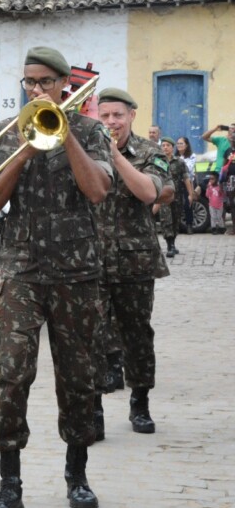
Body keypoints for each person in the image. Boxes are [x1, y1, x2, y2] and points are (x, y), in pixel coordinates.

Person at [0, 46, 112, 508]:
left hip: (77, 273)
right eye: (28, 83)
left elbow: (97, 190)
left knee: (77, 378)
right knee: (12, 375)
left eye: (44, 83)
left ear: (63, 85)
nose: (34, 90)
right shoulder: (5, 134)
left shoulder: (92, 131)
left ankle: (77, 473)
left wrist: (64, 134)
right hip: (23, 270)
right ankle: (9, 487)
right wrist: (25, 149)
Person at [96, 87, 172, 439]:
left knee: (137, 333)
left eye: (118, 115)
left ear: (131, 116)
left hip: (135, 259)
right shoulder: (85, 148)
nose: (111, 122)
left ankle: (139, 402)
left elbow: (148, 192)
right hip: (90, 258)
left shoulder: (149, 151)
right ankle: (91, 409)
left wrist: (115, 157)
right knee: (90, 334)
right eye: (105, 115)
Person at [158, 137, 195, 255]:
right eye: (163, 145)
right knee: (166, 219)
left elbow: (186, 178)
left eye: (167, 145)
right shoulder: (157, 161)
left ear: (172, 147)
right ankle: (170, 245)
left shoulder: (179, 162)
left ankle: (173, 242)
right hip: (163, 196)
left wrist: (190, 194)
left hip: (177, 195)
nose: (165, 148)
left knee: (175, 219)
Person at [175, 136, 197, 231]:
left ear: (186, 145)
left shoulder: (192, 156)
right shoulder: (175, 156)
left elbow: (188, 168)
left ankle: (189, 225)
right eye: (178, 143)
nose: (179, 145)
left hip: (188, 182)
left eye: (181, 143)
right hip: (177, 182)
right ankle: (177, 225)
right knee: (177, 204)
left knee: (188, 203)